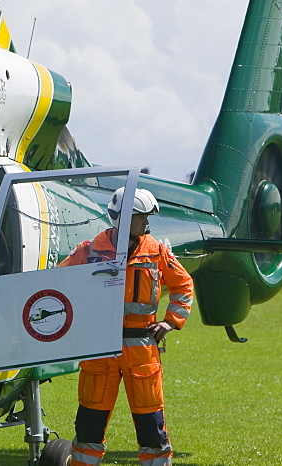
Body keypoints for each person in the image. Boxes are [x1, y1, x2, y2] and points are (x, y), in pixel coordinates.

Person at [59, 187, 194, 466]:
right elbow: (61, 283)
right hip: (99, 348)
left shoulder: (156, 251)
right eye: (141, 217)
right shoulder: (89, 251)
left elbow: (183, 285)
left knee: (150, 420)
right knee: (89, 422)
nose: (147, 223)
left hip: (141, 348)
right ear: (123, 218)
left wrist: (171, 322)